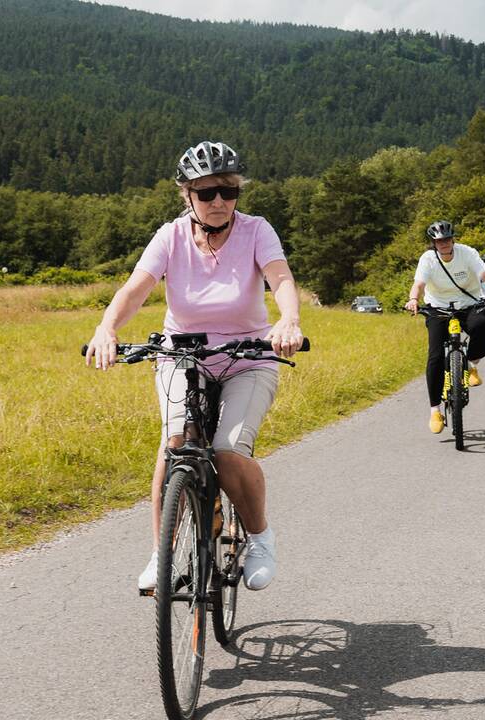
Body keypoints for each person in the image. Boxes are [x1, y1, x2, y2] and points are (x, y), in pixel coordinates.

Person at [85, 140, 304, 592]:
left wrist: (289, 319)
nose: (219, 201)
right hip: (183, 356)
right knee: (175, 445)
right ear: (187, 195)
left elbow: (280, 277)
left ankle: (260, 537)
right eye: (207, 193)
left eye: (228, 191)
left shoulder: (257, 230)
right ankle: (161, 555)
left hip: (249, 357)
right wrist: (107, 327)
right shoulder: (169, 236)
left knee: (227, 451)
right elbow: (136, 288)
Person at [405, 221, 485, 434]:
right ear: (434, 243)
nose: (443, 243)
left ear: (452, 239)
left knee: (482, 325)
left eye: (446, 239)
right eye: (438, 241)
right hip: (438, 309)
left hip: (468, 305)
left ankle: (471, 364)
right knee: (434, 356)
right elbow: (419, 283)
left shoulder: (467, 253)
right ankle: (435, 411)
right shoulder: (428, 259)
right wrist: (413, 299)